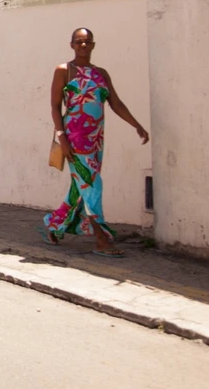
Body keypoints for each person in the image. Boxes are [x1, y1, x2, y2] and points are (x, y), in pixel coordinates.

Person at [41, 27, 149, 257]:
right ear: (71, 44)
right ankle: (102, 240)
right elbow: (55, 105)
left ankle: (54, 224)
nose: (83, 46)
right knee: (92, 185)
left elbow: (116, 103)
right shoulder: (64, 71)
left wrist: (136, 125)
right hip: (74, 138)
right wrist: (62, 137)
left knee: (81, 186)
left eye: (87, 42)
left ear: (93, 45)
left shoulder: (101, 73)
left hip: (96, 139)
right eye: (78, 42)